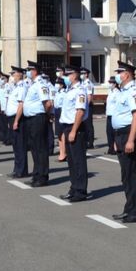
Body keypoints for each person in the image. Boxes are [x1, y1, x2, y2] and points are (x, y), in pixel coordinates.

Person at [110, 61, 136, 223]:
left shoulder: (134, 91)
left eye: (119, 72)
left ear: (127, 74)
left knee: (134, 174)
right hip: (121, 134)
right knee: (126, 175)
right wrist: (116, 139)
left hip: (131, 133)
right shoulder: (122, 91)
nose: (117, 75)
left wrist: (131, 140)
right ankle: (129, 207)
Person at [16, 61, 51, 187]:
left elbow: (47, 103)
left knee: (40, 148)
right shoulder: (33, 84)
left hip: (38, 118)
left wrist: (44, 115)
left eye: (29, 69)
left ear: (35, 70)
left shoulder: (41, 84)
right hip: (30, 119)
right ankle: (36, 174)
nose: (28, 72)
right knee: (34, 148)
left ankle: (42, 177)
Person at [58, 66, 89, 202]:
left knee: (78, 160)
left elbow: (80, 112)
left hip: (75, 127)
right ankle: (74, 188)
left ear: (74, 75)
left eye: (67, 75)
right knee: (71, 161)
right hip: (67, 126)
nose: (65, 77)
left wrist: (74, 130)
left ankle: (81, 191)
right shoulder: (69, 90)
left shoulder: (80, 91)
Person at [6, 66, 28, 177]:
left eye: (13, 74)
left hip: (17, 118)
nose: (12, 76)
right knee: (16, 145)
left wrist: (16, 121)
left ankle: (21, 170)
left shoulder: (22, 87)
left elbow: (21, 105)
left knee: (20, 145)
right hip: (12, 118)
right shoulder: (16, 87)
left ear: (19, 74)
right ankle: (17, 168)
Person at [53, 66, 68, 162]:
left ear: (62, 85)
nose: (57, 84)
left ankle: (64, 153)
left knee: (62, 133)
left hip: (62, 111)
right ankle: (62, 152)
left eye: (58, 83)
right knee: (59, 133)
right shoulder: (58, 92)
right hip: (57, 111)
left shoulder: (64, 93)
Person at [80, 67, 96, 148]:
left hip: (88, 106)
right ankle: (86, 140)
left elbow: (89, 96)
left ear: (86, 74)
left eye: (83, 73)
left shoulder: (88, 83)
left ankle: (90, 142)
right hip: (84, 105)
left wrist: (85, 107)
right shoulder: (82, 83)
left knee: (88, 125)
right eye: (81, 73)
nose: (81, 75)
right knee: (84, 124)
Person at [105, 75, 119, 154]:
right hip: (109, 114)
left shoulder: (117, 92)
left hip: (114, 115)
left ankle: (115, 148)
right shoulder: (110, 91)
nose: (110, 84)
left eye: (111, 82)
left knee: (114, 133)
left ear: (115, 84)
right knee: (109, 132)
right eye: (109, 82)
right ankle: (110, 148)